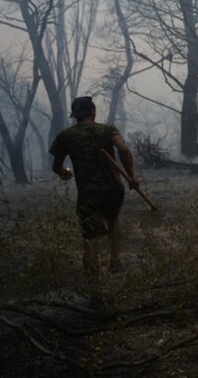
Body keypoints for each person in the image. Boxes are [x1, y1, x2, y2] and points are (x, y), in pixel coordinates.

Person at [50, 96, 140, 289]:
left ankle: (95, 283)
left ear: (75, 116)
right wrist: (132, 176)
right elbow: (123, 149)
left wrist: (64, 173)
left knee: (90, 235)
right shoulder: (108, 130)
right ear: (93, 112)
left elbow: (57, 166)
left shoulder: (65, 136)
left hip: (88, 193)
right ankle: (115, 260)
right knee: (113, 219)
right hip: (113, 188)